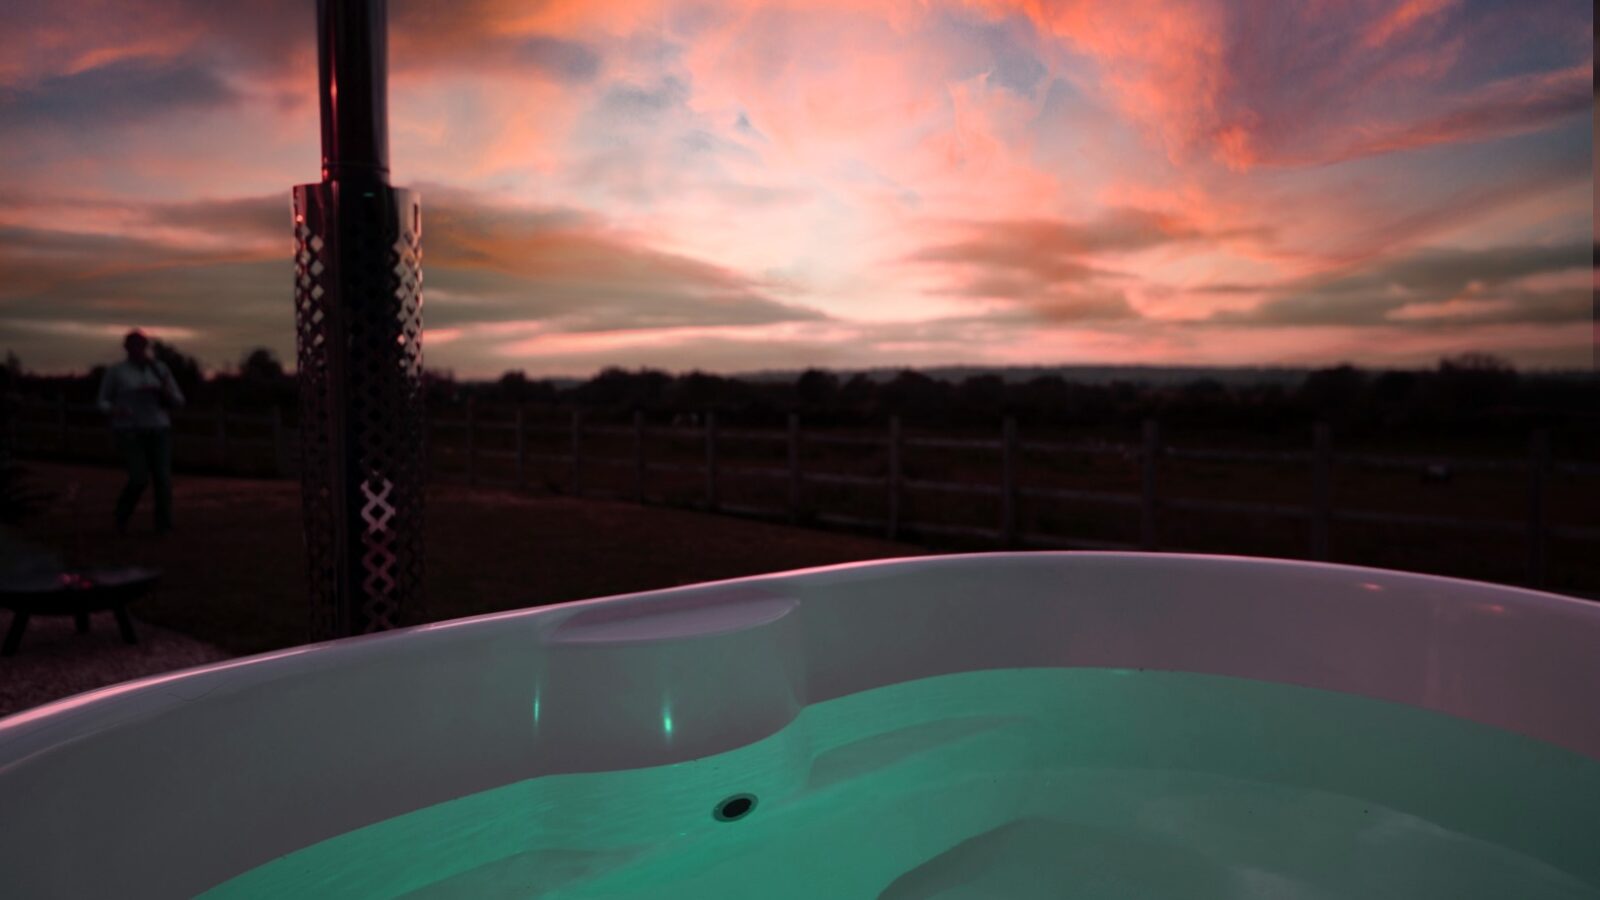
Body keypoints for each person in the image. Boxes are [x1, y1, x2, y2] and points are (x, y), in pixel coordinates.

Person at [97, 330, 185, 534]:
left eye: (141, 346)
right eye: (133, 346)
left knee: (163, 479)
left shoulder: (160, 370)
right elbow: (102, 401)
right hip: (129, 431)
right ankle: (122, 515)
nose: (138, 350)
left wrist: (164, 394)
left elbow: (179, 400)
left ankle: (164, 526)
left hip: (159, 429)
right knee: (139, 477)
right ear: (126, 348)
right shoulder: (116, 372)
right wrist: (114, 410)